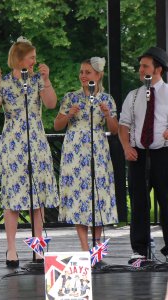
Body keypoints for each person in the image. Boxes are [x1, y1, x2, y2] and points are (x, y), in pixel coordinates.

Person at [0, 36, 59, 267]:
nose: (35, 61)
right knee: (12, 200)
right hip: (12, 145)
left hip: (36, 143)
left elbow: (51, 104)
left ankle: (38, 248)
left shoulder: (37, 80)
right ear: (19, 59)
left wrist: (46, 80)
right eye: (31, 57)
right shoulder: (3, 82)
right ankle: (12, 250)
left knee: (37, 200)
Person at [119, 47, 168, 264]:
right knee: (139, 202)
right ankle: (139, 250)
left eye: (145, 66)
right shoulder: (133, 96)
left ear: (158, 70)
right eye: (140, 66)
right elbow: (123, 125)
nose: (140, 69)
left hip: (164, 153)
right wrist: (126, 147)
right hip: (138, 154)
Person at [54, 57, 119, 251]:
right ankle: (84, 248)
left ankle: (97, 246)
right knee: (78, 196)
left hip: (97, 149)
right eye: (81, 72)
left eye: (88, 72)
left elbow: (115, 130)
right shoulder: (70, 97)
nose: (83, 75)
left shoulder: (107, 99)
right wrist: (68, 115)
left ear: (98, 76)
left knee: (97, 195)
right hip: (74, 150)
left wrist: (108, 115)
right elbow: (57, 125)